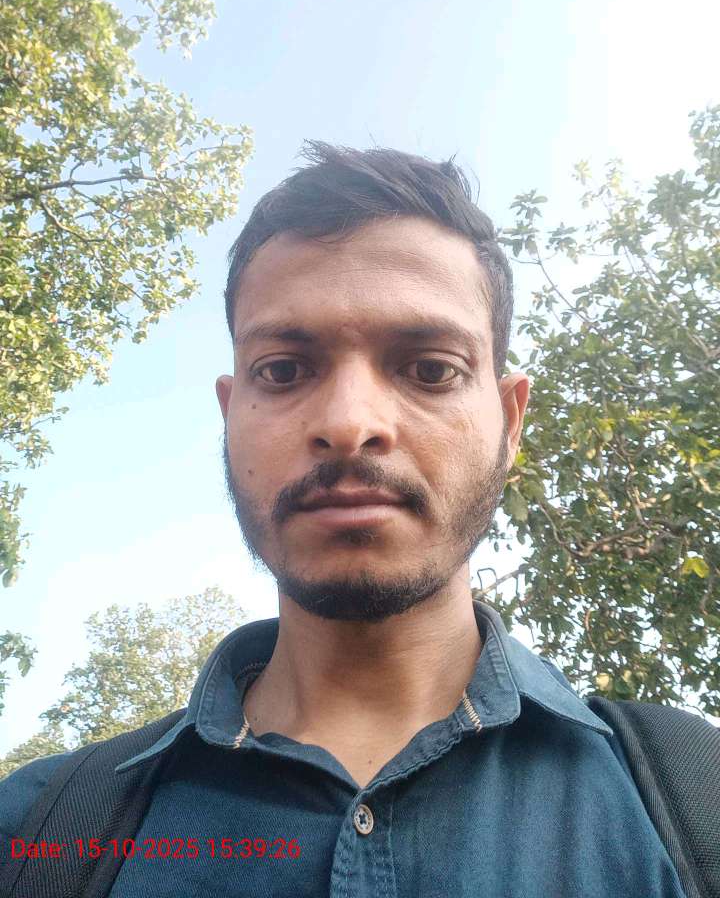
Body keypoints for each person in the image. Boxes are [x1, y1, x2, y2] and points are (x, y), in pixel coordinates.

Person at [0, 143, 690, 896]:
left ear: (510, 419)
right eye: (283, 371)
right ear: (230, 414)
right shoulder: (35, 836)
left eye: (430, 369)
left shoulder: (697, 807)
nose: (349, 423)